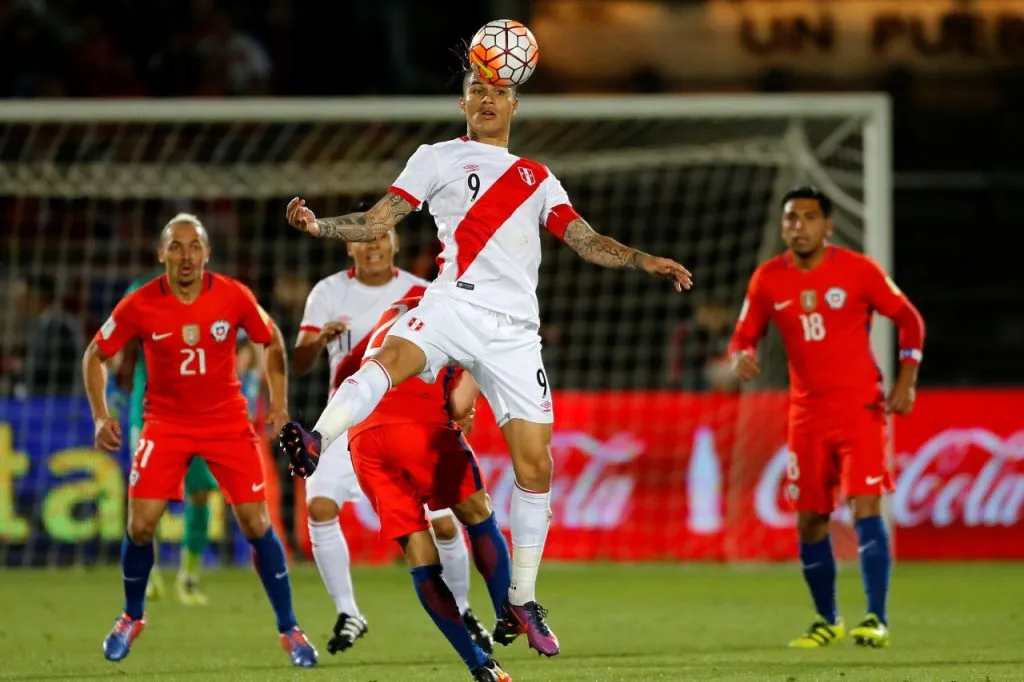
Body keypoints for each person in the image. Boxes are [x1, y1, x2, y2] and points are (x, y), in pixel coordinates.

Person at [278, 68, 693, 657]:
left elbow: (583, 238)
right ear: (463, 102)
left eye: (499, 92)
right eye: (478, 90)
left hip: (516, 332)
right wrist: (320, 225)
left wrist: (642, 259)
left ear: (515, 104)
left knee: (536, 467)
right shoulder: (437, 157)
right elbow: (377, 221)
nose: (488, 99)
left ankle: (521, 597)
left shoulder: (538, 178)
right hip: (453, 303)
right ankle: (317, 439)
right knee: (393, 354)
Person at [82, 213, 317, 667]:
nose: (186, 255)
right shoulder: (141, 303)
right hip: (165, 424)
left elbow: (271, 341)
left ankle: (290, 628)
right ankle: (132, 616)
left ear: (207, 253)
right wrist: (99, 416)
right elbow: (96, 353)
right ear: (161, 254)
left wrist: (280, 405)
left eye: (194, 246)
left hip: (227, 423)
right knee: (140, 525)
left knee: (256, 524)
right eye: (176, 246)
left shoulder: (232, 295)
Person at [729, 187, 925, 649]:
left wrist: (907, 379)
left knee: (865, 507)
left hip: (861, 410)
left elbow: (910, 319)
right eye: (791, 219)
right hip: (806, 418)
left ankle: (876, 618)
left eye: (809, 218)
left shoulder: (859, 271)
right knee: (811, 521)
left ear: (828, 226)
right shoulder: (767, 279)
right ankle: (827, 619)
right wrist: (741, 355)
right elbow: (743, 334)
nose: (799, 226)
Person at [293, 199, 492, 654]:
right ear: (350, 247)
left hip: (412, 423)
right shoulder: (327, 293)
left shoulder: (426, 290)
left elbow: (457, 352)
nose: (374, 245)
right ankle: (349, 612)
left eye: (381, 235)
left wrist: (463, 396)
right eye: (364, 237)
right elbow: (301, 359)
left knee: (443, 525)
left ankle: (461, 608)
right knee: (320, 508)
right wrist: (318, 339)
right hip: (344, 424)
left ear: (395, 241)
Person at [314, 294, 514, 681]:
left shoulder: (397, 309)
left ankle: (480, 665)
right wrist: (470, 400)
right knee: (476, 512)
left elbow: (351, 375)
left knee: (419, 553)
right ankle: (512, 614)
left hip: (364, 437)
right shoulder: (463, 310)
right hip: (418, 428)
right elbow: (458, 406)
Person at [120, 270, 219, 606]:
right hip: (150, 413)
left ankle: (188, 578)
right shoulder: (141, 292)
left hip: (199, 412)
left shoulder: (213, 296)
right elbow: (118, 344)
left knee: (201, 493)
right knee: (149, 495)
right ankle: (147, 574)